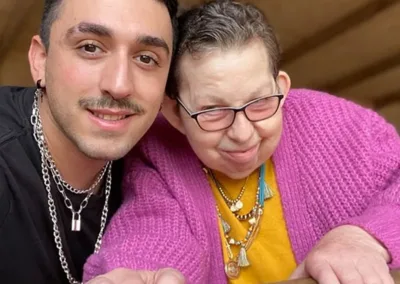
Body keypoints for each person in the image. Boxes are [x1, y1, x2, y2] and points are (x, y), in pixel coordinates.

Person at [83, 1, 400, 284]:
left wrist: (364, 236)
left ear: (281, 87)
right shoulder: (159, 151)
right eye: (213, 111)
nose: (243, 133)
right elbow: (153, 229)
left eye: (260, 102)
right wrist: (141, 272)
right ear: (176, 113)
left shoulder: (329, 120)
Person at [0, 0, 181, 283]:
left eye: (146, 58)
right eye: (90, 47)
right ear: (41, 60)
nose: (120, 85)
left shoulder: (166, 161)